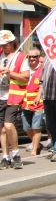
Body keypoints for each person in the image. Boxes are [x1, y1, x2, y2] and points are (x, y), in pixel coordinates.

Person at [0, 30, 30, 169]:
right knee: (2, 130)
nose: (4, 47)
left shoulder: (21, 57)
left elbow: (26, 77)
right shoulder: (0, 56)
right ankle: (5, 157)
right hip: (0, 96)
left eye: (6, 44)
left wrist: (10, 73)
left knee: (8, 125)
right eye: (2, 44)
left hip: (13, 95)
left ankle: (16, 154)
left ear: (13, 43)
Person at [22, 48, 44, 156]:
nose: (32, 59)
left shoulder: (42, 69)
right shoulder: (24, 69)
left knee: (36, 127)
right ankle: (38, 144)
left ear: (39, 57)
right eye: (30, 56)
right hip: (25, 103)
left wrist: (38, 96)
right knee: (26, 127)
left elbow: (42, 85)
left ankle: (34, 150)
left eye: (34, 57)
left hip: (38, 103)